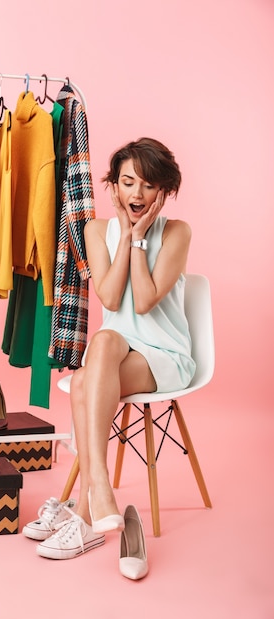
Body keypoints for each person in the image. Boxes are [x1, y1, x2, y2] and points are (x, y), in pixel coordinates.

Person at [23, 137, 196, 561]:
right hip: (114, 349)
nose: (137, 194)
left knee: (86, 380)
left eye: (148, 185)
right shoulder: (97, 229)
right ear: (113, 186)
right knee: (100, 346)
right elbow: (112, 300)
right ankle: (95, 496)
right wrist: (123, 234)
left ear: (164, 191)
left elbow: (145, 298)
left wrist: (138, 238)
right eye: (128, 182)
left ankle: (86, 506)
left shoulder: (177, 231)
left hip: (163, 355)